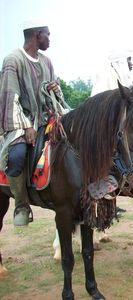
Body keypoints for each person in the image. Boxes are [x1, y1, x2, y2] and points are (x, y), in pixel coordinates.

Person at [0, 20, 67, 226]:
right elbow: (10, 97)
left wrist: (55, 89)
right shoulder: (13, 60)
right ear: (37, 35)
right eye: (47, 35)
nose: (50, 39)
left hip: (48, 119)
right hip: (22, 123)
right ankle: (21, 205)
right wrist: (26, 126)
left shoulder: (47, 62)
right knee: (17, 156)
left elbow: (54, 96)